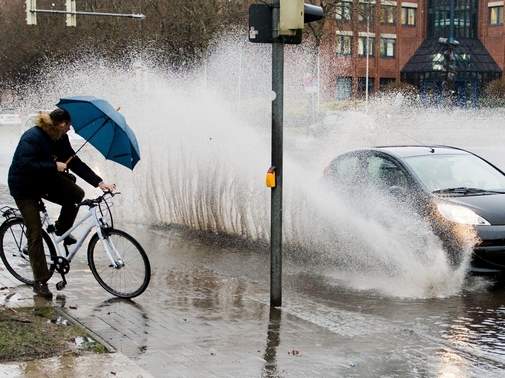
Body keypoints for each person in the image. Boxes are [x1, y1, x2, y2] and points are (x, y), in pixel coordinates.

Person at [8, 108, 115, 299]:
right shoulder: (32, 137)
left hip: (44, 180)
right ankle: (40, 282)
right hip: (24, 186)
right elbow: (24, 164)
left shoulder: (60, 138)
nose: (70, 128)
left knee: (76, 193)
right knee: (35, 234)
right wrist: (53, 166)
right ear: (62, 124)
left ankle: (61, 229)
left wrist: (100, 183)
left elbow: (76, 163)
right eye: (69, 125)